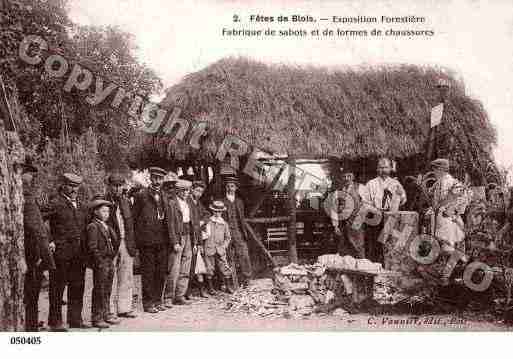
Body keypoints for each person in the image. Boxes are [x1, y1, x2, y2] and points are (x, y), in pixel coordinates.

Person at [46, 172, 89, 331]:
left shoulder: (82, 205)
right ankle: (55, 322)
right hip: (61, 254)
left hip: (78, 254)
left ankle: (75, 319)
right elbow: (40, 220)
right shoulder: (55, 202)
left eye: (76, 186)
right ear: (63, 185)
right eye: (71, 186)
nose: (74, 189)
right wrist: (50, 240)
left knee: (78, 286)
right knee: (57, 288)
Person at [22, 158, 55, 331]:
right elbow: (38, 230)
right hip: (29, 252)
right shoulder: (26, 197)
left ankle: (31, 323)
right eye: (29, 175)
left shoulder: (26, 196)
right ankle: (30, 327)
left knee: (29, 293)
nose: (32, 179)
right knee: (31, 292)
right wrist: (48, 261)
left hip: (26, 250)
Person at [132, 167, 169, 313]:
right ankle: (148, 303)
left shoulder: (165, 196)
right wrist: (137, 240)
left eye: (160, 179)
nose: (157, 181)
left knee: (160, 272)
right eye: (155, 178)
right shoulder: (141, 195)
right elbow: (134, 218)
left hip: (162, 240)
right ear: (150, 179)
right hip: (146, 241)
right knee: (148, 272)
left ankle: (157, 300)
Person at [104, 173, 138, 320]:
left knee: (126, 276)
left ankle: (124, 308)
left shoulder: (126, 202)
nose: (117, 189)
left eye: (120, 186)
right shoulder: (102, 202)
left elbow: (131, 224)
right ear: (109, 186)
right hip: (110, 244)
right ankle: (109, 310)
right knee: (109, 277)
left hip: (126, 243)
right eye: (114, 186)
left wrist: (132, 243)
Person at [361, 158, 406, 263]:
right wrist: (376, 211)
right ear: (377, 169)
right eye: (381, 167)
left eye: (385, 167)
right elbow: (365, 203)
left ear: (390, 168)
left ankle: (388, 268)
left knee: (390, 243)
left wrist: (401, 195)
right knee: (374, 245)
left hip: (390, 217)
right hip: (375, 217)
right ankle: (374, 269)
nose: (383, 170)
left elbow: (403, 200)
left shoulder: (396, 183)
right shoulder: (371, 184)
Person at [86, 199, 118, 329]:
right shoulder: (93, 226)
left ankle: (105, 314)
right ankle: (97, 317)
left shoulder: (106, 226)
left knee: (107, 289)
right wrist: (99, 261)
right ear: (95, 212)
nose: (107, 214)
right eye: (103, 211)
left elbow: (112, 241)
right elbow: (92, 247)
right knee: (99, 289)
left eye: (108, 211)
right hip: (101, 262)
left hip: (109, 260)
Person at [164, 179, 194, 305]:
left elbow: (193, 222)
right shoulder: (172, 203)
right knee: (174, 268)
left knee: (185, 267)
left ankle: (180, 295)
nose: (186, 193)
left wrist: (195, 240)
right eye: (183, 190)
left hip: (188, 236)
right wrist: (175, 241)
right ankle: (168, 297)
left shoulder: (189, 203)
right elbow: (170, 224)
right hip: (178, 236)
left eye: (187, 190)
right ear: (177, 191)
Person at [221, 176, 252, 289]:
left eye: (232, 186)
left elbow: (242, 218)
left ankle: (247, 279)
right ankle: (228, 282)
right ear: (226, 187)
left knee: (244, 254)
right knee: (227, 256)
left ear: (236, 188)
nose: (230, 188)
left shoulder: (239, 201)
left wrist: (243, 232)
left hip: (238, 232)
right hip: (226, 233)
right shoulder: (222, 202)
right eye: (228, 186)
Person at [329, 167, 365, 258]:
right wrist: (335, 225)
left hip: (356, 222)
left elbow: (366, 204)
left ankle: (361, 268)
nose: (347, 178)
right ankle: (346, 270)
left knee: (358, 247)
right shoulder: (338, 191)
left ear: (353, 176)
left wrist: (360, 218)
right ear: (341, 177)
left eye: (349, 176)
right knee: (343, 248)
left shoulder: (360, 188)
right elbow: (334, 208)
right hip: (343, 223)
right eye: (344, 176)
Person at [203, 201, 234, 294]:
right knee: (209, 268)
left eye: (219, 212)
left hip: (220, 249)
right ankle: (210, 288)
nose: (217, 213)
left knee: (224, 267)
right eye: (215, 211)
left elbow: (228, 237)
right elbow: (202, 234)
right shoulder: (208, 222)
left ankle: (228, 286)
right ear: (212, 211)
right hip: (209, 247)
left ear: (222, 212)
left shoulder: (224, 224)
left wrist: (224, 246)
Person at [187, 180, 210, 298]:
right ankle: (187, 291)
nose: (199, 193)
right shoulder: (188, 201)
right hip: (189, 236)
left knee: (198, 263)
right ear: (191, 190)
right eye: (197, 190)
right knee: (189, 265)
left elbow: (207, 214)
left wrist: (202, 221)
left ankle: (201, 289)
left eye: (201, 191)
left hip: (197, 236)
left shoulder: (198, 203)